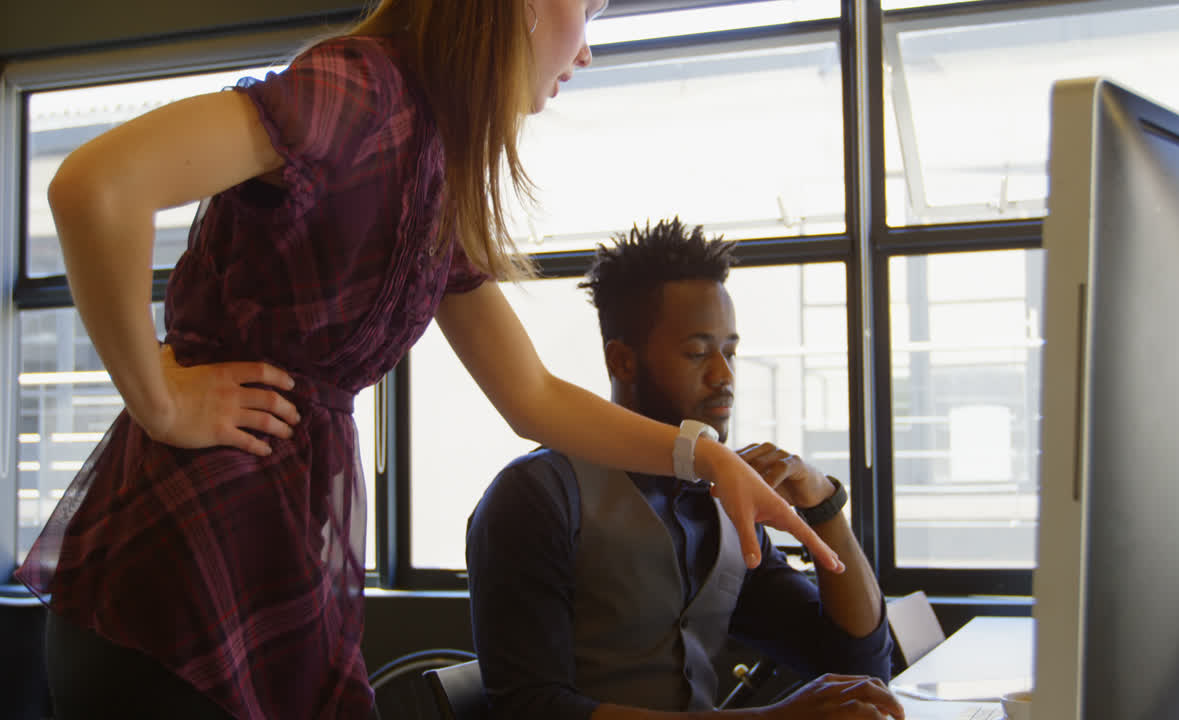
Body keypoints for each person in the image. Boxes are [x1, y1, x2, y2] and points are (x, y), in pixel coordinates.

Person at [12, 2, 846, 718]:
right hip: (185, 561)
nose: (587, 49)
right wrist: (159, 396)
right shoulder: (361, 90)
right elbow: (98, 182)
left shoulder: (431, 164)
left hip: (277, 546)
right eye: (586, 11)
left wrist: (701, 457)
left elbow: (532, 395)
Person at [466, 218, 905, 720]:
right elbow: (532, 710)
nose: (724, 376)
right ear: (622, 363)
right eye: (698, 353)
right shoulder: (538, 496)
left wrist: (825, 505)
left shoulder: (721, 502)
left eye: (730, 352)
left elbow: (858, 662)